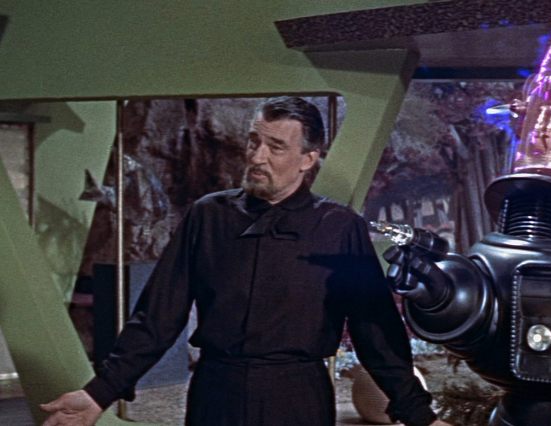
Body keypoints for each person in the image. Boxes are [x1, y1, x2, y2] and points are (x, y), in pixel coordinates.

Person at [41, 97, 450, 426]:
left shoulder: (339, 227)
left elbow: (375, 331)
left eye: (276, 147)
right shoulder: (208, 216)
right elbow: (157, 317)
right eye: (254, 142)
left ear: (308, 159)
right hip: (216, 395)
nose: (257, 157)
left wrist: (421, 416)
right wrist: (99, 393)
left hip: (298, 399)